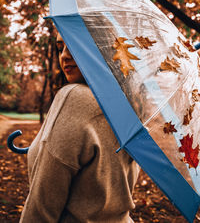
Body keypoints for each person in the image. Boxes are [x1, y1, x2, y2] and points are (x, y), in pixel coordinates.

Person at [19, 32, 140, 223]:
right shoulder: (130, 106)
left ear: (102, 50)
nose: (64, 55)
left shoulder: (74, 97)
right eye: (60, 48)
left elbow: (41, 207)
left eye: (75, 44)